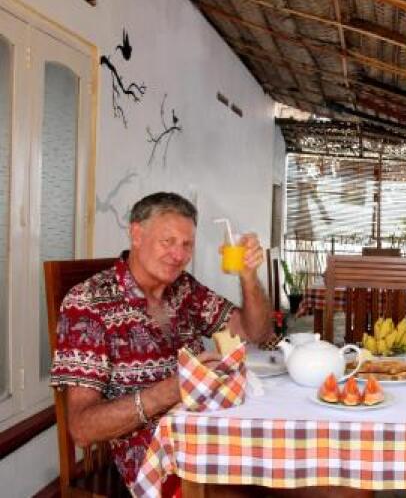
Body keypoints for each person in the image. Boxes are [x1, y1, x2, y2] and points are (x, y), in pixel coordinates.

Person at [50, 192, 273, 489]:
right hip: (157, 461)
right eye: (167, 242)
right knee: (280, 482)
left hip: (209, 429)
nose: (178, 255)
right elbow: (82, 429)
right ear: (136, 235)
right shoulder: (88, 303)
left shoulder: (184, 288)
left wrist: (249, 278)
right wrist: (174, 389)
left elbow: (255, 332)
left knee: (302, 468)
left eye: (187, 244)